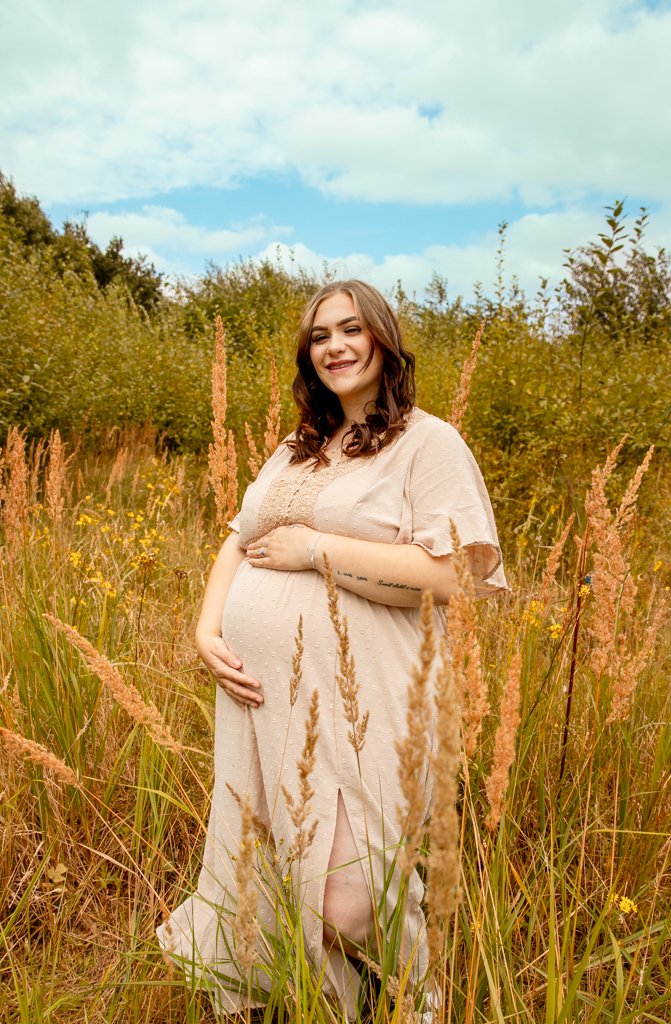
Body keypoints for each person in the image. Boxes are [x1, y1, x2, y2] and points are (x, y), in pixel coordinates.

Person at [157, 280, 507, 1016]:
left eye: (351, 330)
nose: (336, 347)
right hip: (260, 697)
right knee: (279, 868)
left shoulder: (427, 441)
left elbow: (453, 574)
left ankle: (416, 1005)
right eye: (320, 336)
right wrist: (205, 628)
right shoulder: (298, 445)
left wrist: (316, 547)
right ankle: (323, 1006)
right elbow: (239, 537)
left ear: (383, 339)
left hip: (366, 694)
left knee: (348, 899)